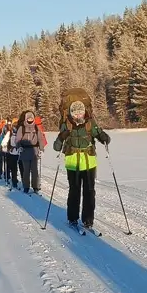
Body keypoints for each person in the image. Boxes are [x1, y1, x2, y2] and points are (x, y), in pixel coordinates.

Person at [53, 89, 110, 230]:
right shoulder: (66, 125)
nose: (78, 115)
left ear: (85, 111)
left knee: (89, 192)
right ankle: (72, 218)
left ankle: (88, 220)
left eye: (80, 111)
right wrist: (61, 137)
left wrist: (104, 138)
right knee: (74, 191)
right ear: (71, 113)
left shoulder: (91, 124)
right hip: (72, 163)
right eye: (75, 112)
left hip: (89, 162)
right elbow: (56, 147)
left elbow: (102, 135)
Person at [12, 109, 47, 193]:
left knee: (35, 171)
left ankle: (35, 186)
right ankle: (26, 186)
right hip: (24, 151)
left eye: (32, 118)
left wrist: (41, 148)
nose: (30, 120)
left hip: (34, 151)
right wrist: (19, 146)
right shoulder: (22, 128)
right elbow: (17, 139)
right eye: (29, 118)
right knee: (26, 170)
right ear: (26, 118)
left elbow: (40, 138)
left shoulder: (36, 127)